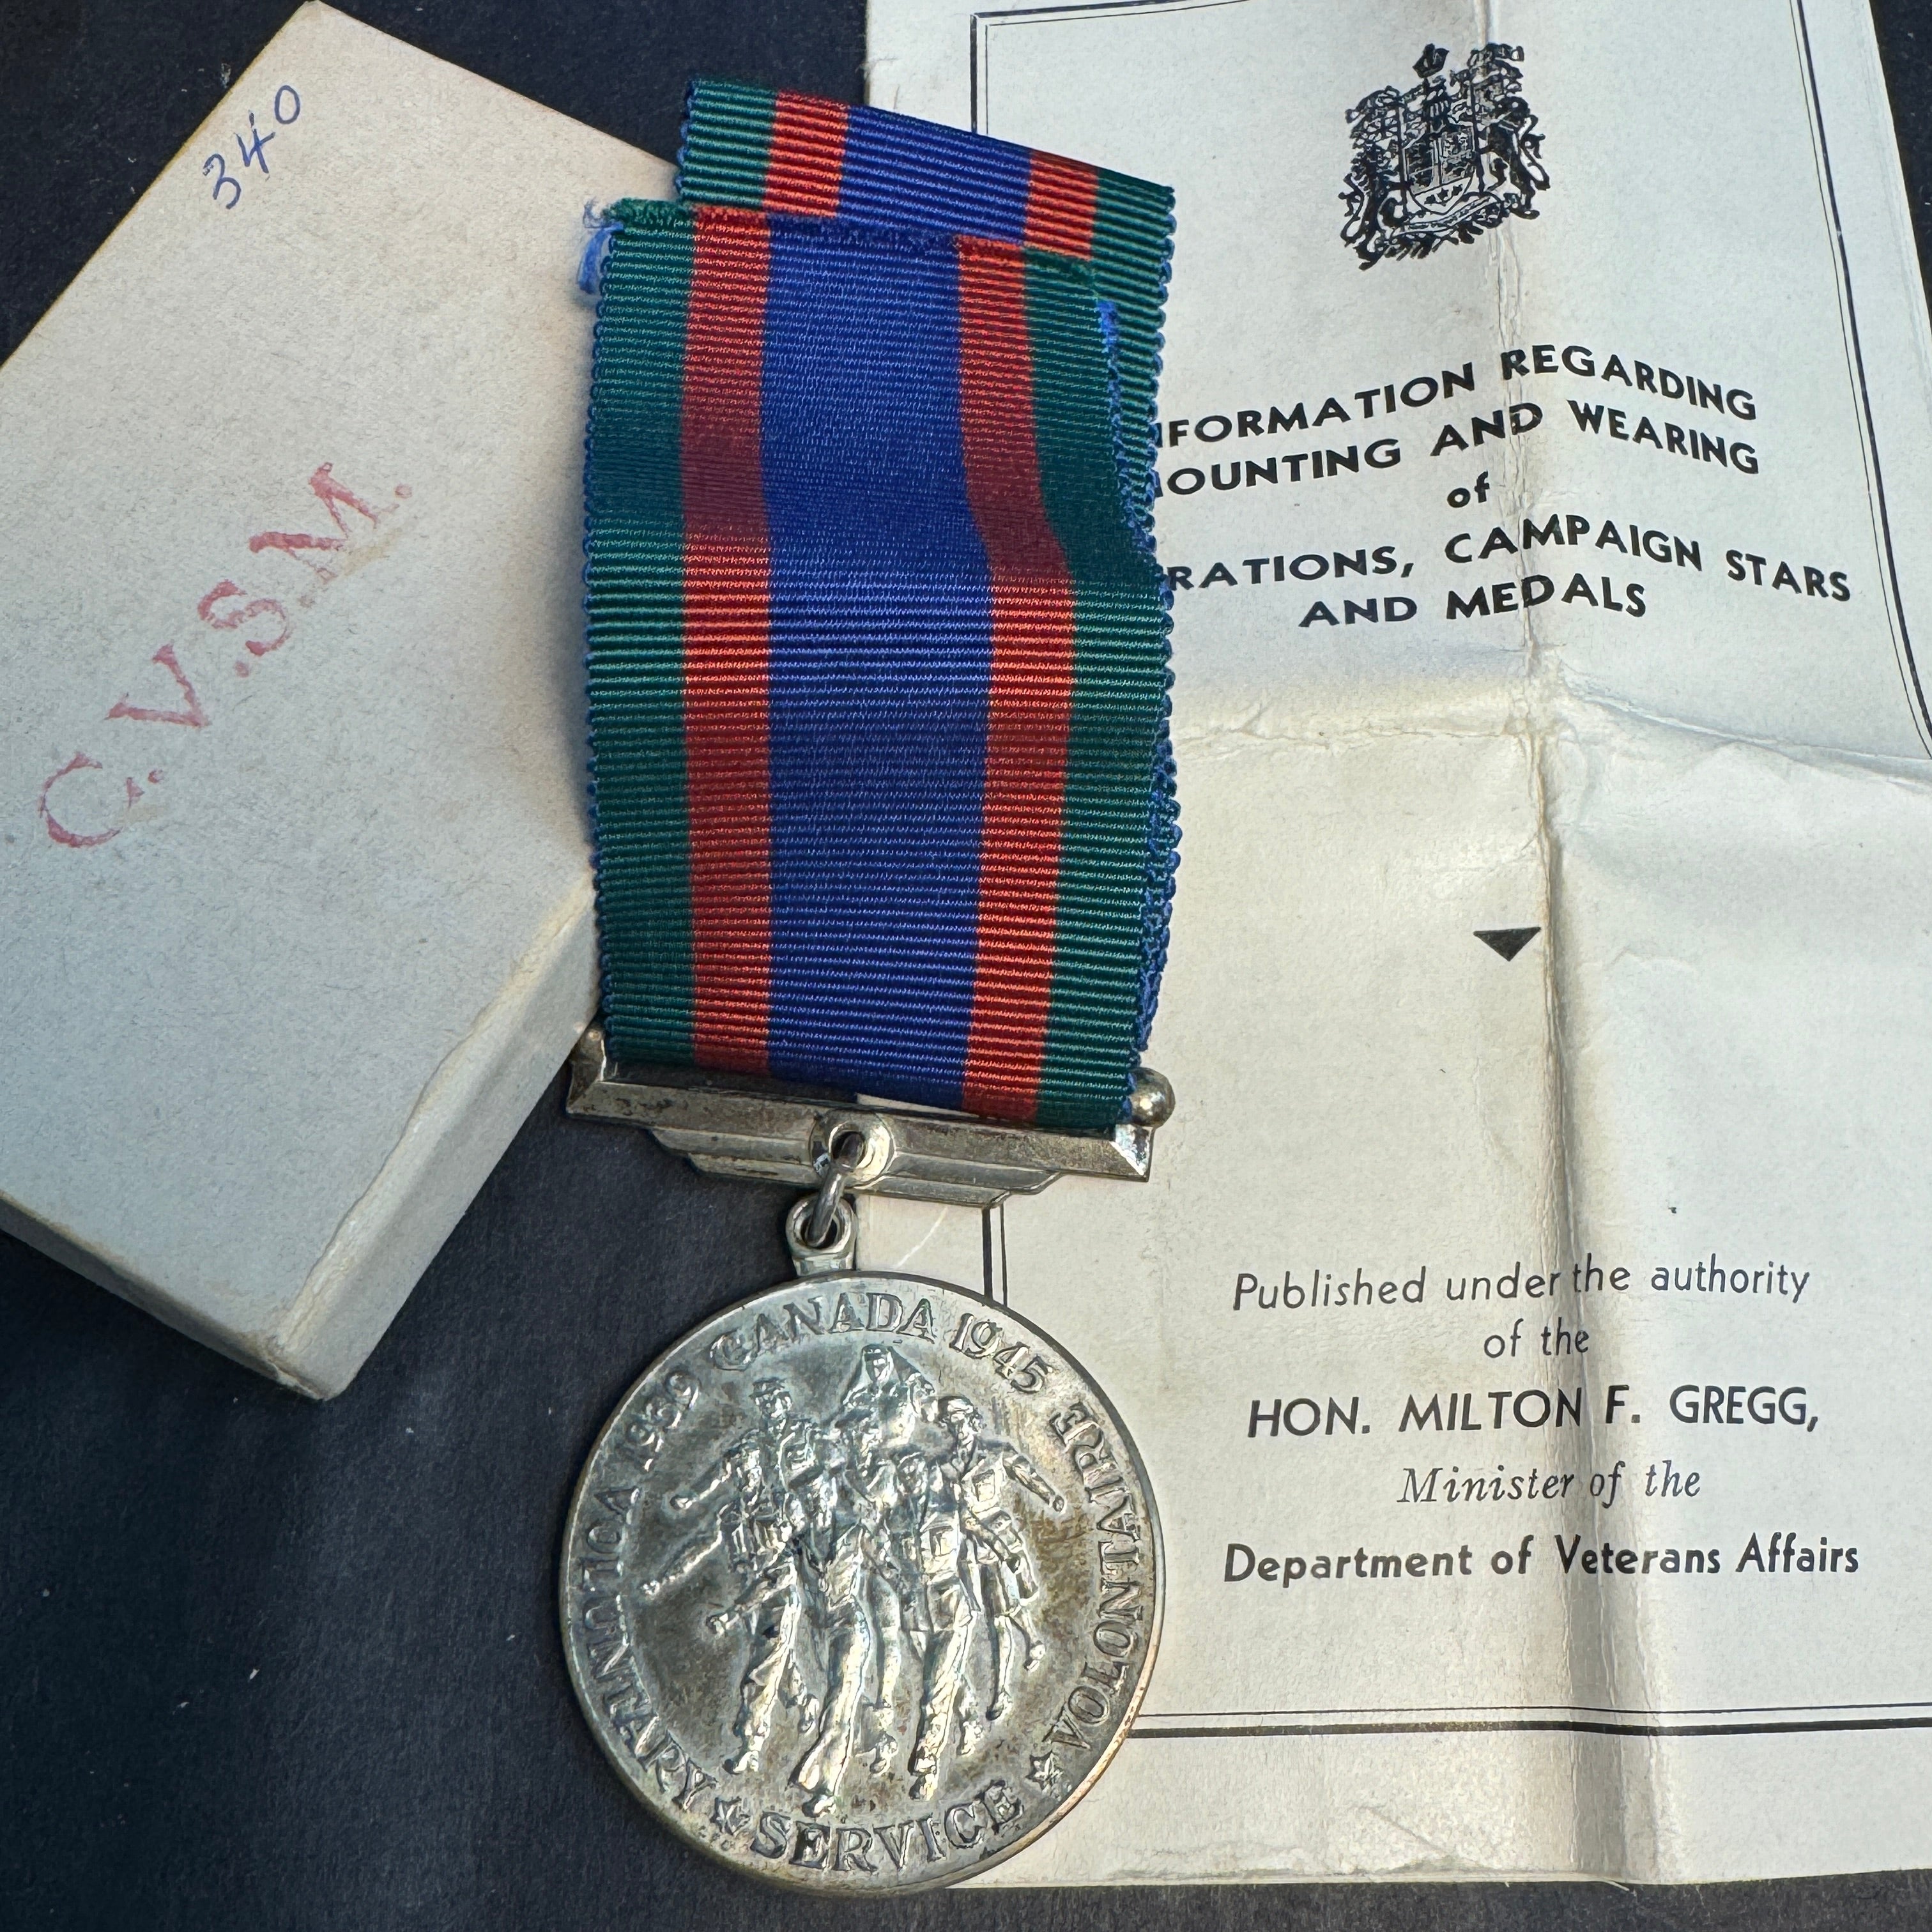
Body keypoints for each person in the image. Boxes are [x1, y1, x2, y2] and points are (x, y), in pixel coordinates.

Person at [937, 1395, 1066, 1723]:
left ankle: (1001, 1690)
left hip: (998, 1540)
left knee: (998, 1619)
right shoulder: (946, 1465)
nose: (958, 1427)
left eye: (962, 1420)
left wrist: (1049, 1495)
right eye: (952, 1423)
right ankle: (1034, 1641)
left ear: (973, 1420)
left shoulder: (995, 1454)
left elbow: (1025, 1473)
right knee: (997, 1612)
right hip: (968, 1550)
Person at [786, 1460, 885, 1817]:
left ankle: (828, 1786)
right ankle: (874, 1742)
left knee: (839, 1709)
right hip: (816, 1634)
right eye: (807, 1498)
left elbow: (886, 1566)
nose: (814, 1502)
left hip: (849, 1628)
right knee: (823, 1703)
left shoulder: (855, 1533)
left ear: (830, 1495)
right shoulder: (798, 1544)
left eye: (819, 1495)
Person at [885, 1446, 981, 1800]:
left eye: (914, 1468)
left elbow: (979, 1529)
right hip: (916, 1613)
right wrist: (899, 1585)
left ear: (926, 1472)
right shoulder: (895, 1517)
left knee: (933, 1693)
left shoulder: (952, 1508)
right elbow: (889, 1559)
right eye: (903, 1470)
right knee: (942, 1678)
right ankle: (969, 1715)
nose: (909, 1476)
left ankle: (927, 1768)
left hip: (950, 1610)